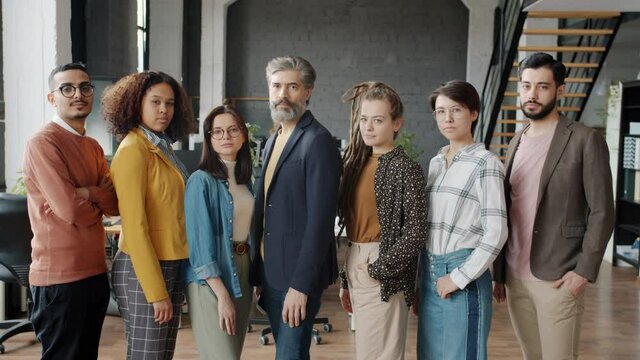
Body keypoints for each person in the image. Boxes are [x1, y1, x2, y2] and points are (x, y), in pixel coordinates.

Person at [493, 52, 615, 360]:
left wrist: (583, 271)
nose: (532, 94)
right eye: (526, 86)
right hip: (516, 275)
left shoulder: (585, 139)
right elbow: (508, 210)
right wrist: (499, 272)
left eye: (542, 86)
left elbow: (603, 210)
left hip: (559, 276)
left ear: (560, 90)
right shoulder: (515, 141)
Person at [22, 62, 119, 359]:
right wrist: (94, 204)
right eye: (67, 88)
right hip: (60, 280)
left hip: (94, 272)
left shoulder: (92, 146)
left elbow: (115, 203)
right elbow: (71, 211)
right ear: (53, 98)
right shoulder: (43, 143)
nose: (78, 94)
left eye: (85, 87)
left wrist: (88, 192)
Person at [249, 55, 342, 360]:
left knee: (289, 355)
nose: (282, 94)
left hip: (296, 277)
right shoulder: (274, 138)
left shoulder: (317, 141)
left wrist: (300, 286)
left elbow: (320, 222)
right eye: (276, 86)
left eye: (292, 86)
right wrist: (257, 273)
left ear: (308, 91)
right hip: (271, 270)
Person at [102, 71, 194, 359]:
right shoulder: (133, 149)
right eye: (155, 102)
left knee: (160, 355)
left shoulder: (160, 145)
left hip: (169, 263)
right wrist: (156, 293)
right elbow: (136, 227)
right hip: (143, 268)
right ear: (136, 103)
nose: (164, 110)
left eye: (169, 103)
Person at [417, 80, 508, 359]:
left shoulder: (486, 163)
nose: (447, 118)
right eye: (440, 111)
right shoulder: (436, 162)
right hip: (431, 270)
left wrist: (458, 278)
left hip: (462, 273)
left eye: (455, 110)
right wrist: (423, 282)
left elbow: (497, 232)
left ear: (474, 113)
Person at [337, 82, 427, 360]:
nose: (369, 127)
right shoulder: (356, 163)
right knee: (367, 351)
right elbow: (353, 222)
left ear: (396, 123)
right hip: (356, 259)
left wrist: (378, 269)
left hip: (381, 266)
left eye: (378, 120)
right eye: (364, 119)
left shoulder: (405, 168)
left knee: (381, 355)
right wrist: (346, 277)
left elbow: (416, 231)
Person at [183, 105, 254, 360]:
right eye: (218, 131)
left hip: (243, 270)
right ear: (210, 139)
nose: (226, 136)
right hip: (211, 279)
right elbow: (200, 247)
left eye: (233, 130)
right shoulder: (200, 181)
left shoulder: (247, 180)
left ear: (243, 135)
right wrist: (221, 294)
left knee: (231, 354)